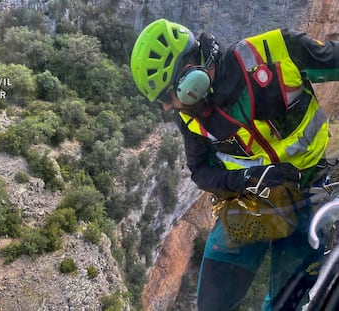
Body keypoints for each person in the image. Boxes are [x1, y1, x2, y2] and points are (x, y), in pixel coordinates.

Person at [130, 18, 339, 310]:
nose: (167, 107)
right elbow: (201, 172)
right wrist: (248, 179)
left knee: (286, 303)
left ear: (191, 77)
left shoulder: (278, 52)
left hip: (308, 193)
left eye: (167, 95)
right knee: (212, 303)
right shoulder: (190, 114)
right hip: (248, 203)